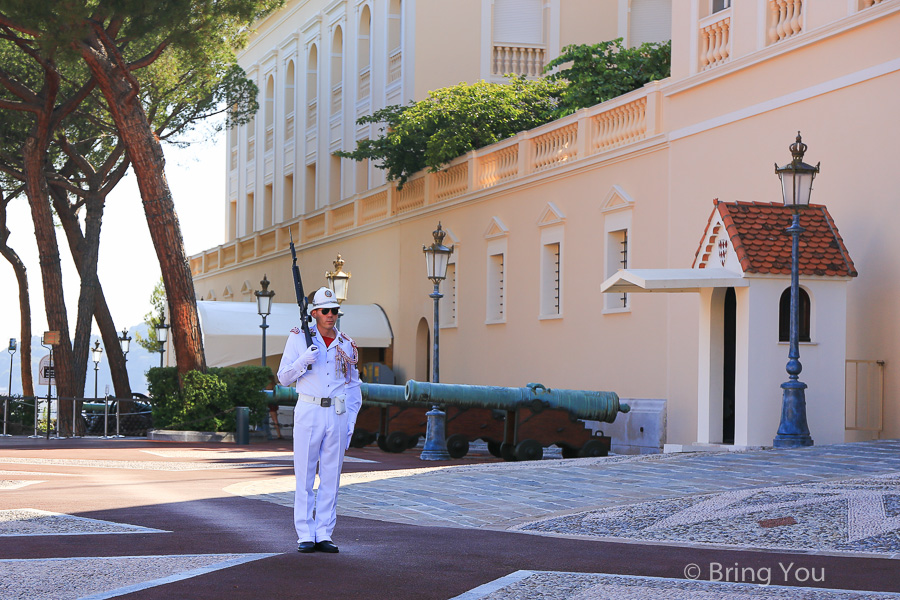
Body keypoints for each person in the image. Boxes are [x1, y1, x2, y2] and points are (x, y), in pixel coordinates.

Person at [277, 286, 361, 553]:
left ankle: (324, 532)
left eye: (334, 311)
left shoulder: (345, 343)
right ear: (314, 313)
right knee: (304, 475)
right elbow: (283, 378)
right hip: (309, 410)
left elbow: (352, 386)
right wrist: (303, 360)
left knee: (331, 476)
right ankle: (305, 533)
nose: (331, 315)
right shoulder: (299, 338)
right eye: (325, 311)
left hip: (335, 413)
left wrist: (350, 422)